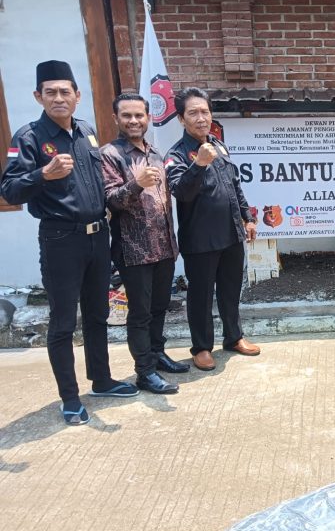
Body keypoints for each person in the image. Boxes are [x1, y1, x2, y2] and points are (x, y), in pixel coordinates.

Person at [0, 60, 138, 425]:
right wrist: (42, 174)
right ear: (39, 96)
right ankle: (70, 398)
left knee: (98, 314)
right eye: (51, 92)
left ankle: (102, 380)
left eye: (65, 92)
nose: (59, 98)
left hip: (98, 236)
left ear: (77, 96)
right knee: (63, 322)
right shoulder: (29, 138)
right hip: (61, 239)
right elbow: (9, 189)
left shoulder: (86, 132)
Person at [165, 87, 261, 371]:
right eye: (193, 113)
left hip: (231, 234)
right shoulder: (176, 155)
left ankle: (234, 337)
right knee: (201, 296)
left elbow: (234, 185)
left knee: (231, 290)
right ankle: (202, 347)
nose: (201, 118)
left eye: (205, 112)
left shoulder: (219, 144)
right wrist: (198, 165)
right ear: (181, 119)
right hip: (200, 240)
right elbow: (181, 192)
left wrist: (247, 217)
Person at [101, 93, 189, 395]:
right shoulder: (110, 155)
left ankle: (157, 354)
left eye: (139, 115)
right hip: (133, 249)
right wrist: (136, 184)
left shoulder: (154, 153)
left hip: (163, 246)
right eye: (127, 115)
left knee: (159, 307)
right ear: (116, 118)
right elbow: (111, 200)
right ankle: (144, 371)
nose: (134, 121)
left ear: (148, 118)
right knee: (140, 313)